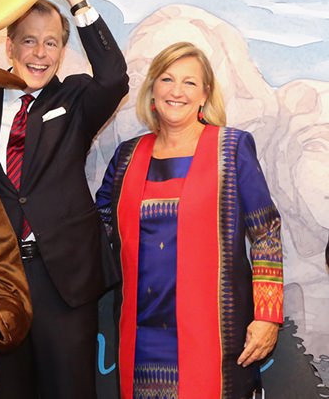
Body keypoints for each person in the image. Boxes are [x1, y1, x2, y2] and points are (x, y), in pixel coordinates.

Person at [0, 0, 129, 399]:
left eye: (51, 42)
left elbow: (113, 76)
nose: (40, 53)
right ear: (10, 46)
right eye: (30, 40)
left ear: (61, 51)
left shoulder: (73, 99)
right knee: (7, 390)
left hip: (64, 280)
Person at [95, 41, 283, 398]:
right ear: (152, 91)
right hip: (141, 337)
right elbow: (100, 224)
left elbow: (266, 232)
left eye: (189, 82)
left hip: (216, 334)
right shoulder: (126, 157)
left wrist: (268, 315)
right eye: (166, 79)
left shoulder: (232, 148)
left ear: (204, 95)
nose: (176, 91)